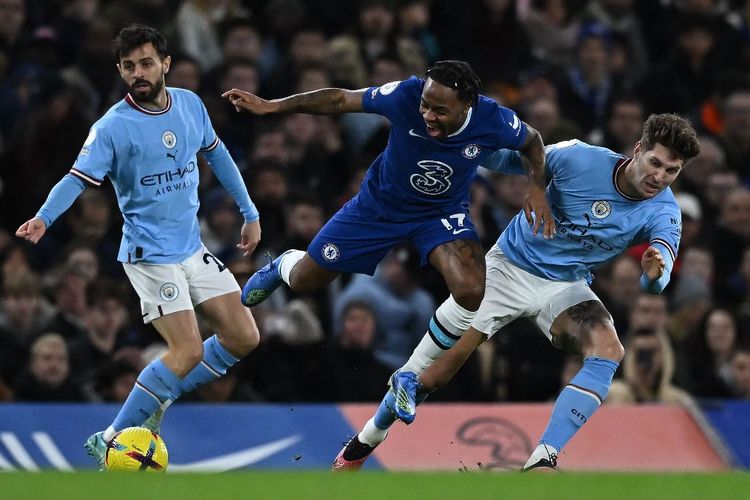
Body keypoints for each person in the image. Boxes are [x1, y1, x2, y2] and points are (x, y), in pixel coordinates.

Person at [222, 59, 552, 467]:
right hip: (377, 209)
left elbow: (533, 142)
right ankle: (282, 265)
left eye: (439, 110)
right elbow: (341, 99)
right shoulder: (407, 95)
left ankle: (409, 375)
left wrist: (536, 188)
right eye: (426, 106)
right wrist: (275, 106)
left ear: (467, 104)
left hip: (439, 215)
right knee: (307, 280)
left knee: (471, 290)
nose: (427, 115)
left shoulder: (494, 119)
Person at [367, 113, 700, 471]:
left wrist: (654, 274)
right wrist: (461, 146)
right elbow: (512, 158)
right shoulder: (579, 158)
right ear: (638, 150)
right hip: (509, 268)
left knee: (609, 349)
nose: (659, 177)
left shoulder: (666, 210)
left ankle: (545, 456)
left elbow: (657, 277)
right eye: (655, 163)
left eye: (672, 171)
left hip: (565, 286)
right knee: (433, 377)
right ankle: (366, 440)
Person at [15, 25, 261, 469]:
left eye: (146, 63)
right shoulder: (112, 127)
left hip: (191, 247)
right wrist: (44, 218)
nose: (138, 73)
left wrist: (250, 212)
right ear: (120, 71)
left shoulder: (190, 105)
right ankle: (109, 439)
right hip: (149, 255)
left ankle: (157, 394)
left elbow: (218, 155)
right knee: (186, 351)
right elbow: (76, 178)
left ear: (165, 64)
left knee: (244, 336)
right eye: (129, 66)